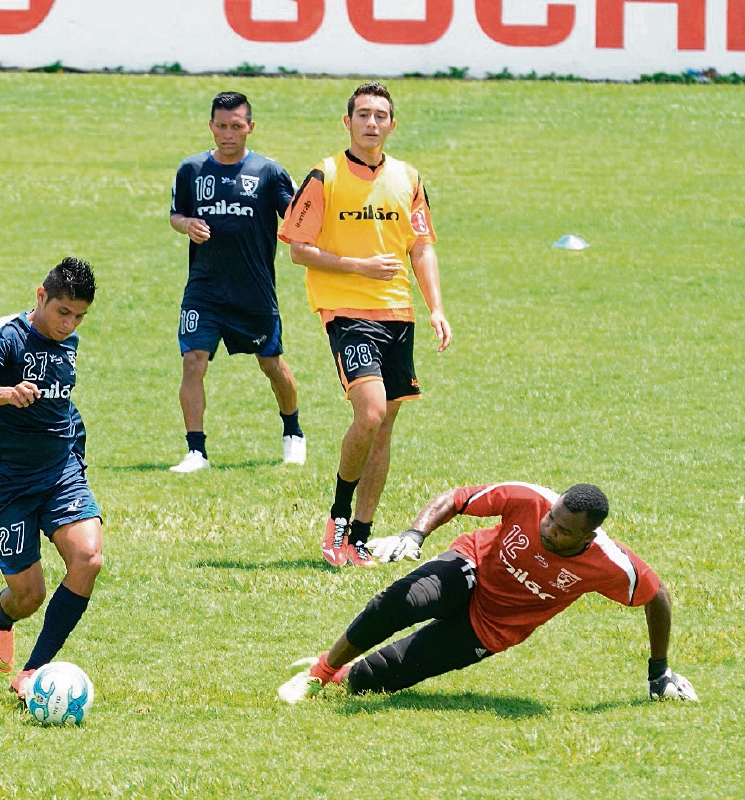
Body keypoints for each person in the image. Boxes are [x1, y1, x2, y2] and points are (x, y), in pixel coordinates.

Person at [278, 482, 698, 703]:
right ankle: (319, 673)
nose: (549, 530)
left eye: (563, 531)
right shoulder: (530, 499)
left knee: (377, 679)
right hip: (473, 566)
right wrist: (415, 534)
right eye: (551, 519)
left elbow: (656, 595)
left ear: (589, 535)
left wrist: (658, 671)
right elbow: (457, 499)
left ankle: (339, 674)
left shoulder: (612, 564)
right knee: (400, 601)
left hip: (491, 628)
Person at [278, 82, 451, 566]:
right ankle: (336, 520)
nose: (371, 123)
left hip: (398, 312)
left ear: (392, 125)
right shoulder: (324, 176)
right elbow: (297, 248)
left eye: (380, 116)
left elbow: (421, 247)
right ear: (347, 122)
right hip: (347, 312)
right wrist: (360, 267)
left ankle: (359, 536)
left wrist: (436, 307)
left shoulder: (408, 178)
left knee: (385, 424)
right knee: (370, 411)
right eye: (363, 115)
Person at [0, 258, 104, 699]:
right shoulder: (6, 336)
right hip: (6, 484)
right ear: (41, 296)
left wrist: (76, 455)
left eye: (79, 316)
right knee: (28, 596)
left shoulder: (70, 343)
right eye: (63, 312)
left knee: (88, 559)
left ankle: (32, 672)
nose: (69, 324)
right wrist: (8, 393)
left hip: (59, 473)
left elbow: (63, 408)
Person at [168, 91, 304, 473]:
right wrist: (186, 225)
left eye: (236, 126)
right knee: (193, 362)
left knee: (272, 364)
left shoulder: (268, 172)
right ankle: (196, 452)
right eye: (221, 126)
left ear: (250, 127)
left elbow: (295, 218)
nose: (228, 134)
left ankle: (293, 433)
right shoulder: (191, 170)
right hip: (204, 288)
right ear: (211, 125)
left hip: (253, 291)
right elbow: (176, 214)